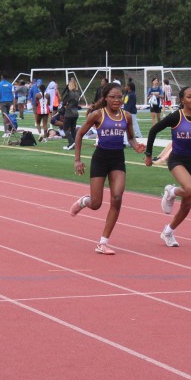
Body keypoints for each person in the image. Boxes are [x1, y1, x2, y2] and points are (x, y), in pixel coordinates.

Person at [70, 84, 145, 255]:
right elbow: (79, 134)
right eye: (112, 97)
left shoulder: (126, 116)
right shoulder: (98, 114)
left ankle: (103, 242)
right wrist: (77, 160)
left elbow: (131, 138)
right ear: (105, 98)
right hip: (100, 159)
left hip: (118, 159)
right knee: (96, 204)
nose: (117, 100)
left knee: (117, 197)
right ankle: (84, 201)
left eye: (119, 97)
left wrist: (136, 146)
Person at [144, 86, 191, 248]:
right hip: (176, 160)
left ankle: (168, 232)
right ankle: (171, 191)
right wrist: (149, 154)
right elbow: (153, 130)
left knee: (187, 203)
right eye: (189, 96)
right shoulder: (176, 117)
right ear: (182, 100)